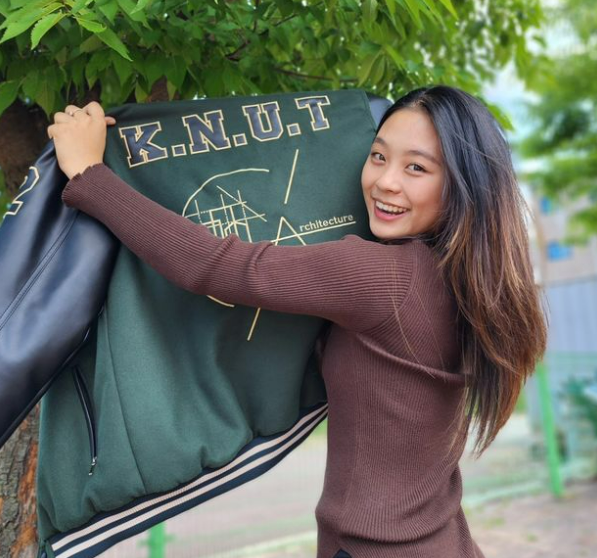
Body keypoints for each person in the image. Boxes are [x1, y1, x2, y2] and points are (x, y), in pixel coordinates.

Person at [47, 85, 547, 558]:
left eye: (416, 168)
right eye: (378, 156)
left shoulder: (385, 277)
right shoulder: (468, 284)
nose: (385, 181)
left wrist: (89, 174)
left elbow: (218, 265)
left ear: (463, 185)